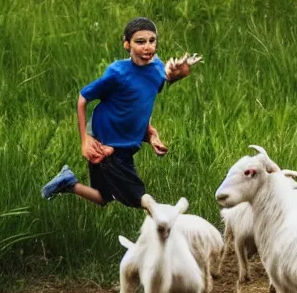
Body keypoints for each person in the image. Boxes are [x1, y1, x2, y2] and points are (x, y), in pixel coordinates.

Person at [41, 17, 201, 208]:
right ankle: (168, 230)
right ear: (127, 44)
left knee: (103, 197)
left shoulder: (157, 69)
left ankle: (68, 182)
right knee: (141, 198)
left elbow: (142, 103)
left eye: (152, 41)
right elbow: (83, 98)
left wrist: (150, 134)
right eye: (140, 42)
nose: (147, 47)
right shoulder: (117, 73)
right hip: (108, 145)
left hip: (124, 144)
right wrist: (85, 139)